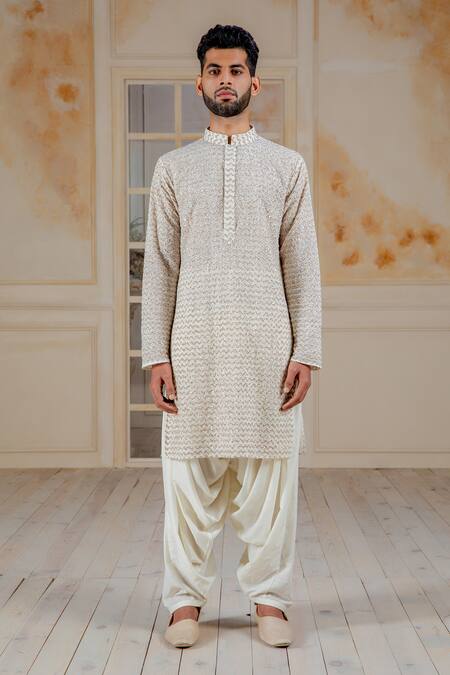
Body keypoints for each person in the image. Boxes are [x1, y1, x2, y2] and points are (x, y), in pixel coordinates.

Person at [141, 23, 322, 649]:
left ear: (254, 82)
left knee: (272, 483)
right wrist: (156, 356)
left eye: (236, 70)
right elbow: (161, 267)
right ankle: (183, 602)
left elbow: (302, 267)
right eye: (215, 71)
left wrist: (306, 351)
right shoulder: (173, 169)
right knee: (186, 483)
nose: (225, 80)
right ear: (199, 82)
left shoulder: (287, 167)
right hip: (193, 347)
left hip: (266, 349)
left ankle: (270, 600)